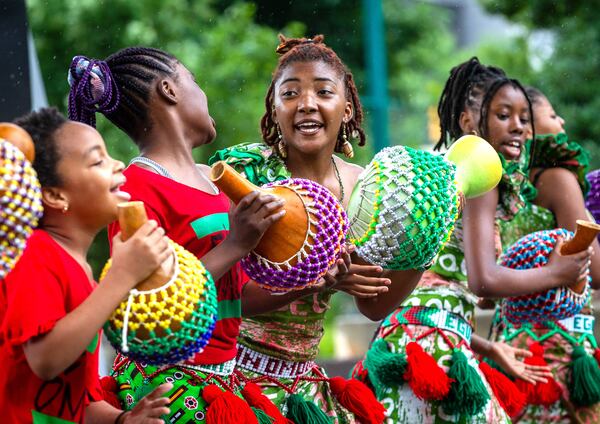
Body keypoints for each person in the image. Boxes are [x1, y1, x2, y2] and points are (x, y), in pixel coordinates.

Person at [355, 57, 591, 423]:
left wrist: (487, 347)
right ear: (468, 122)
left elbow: (433, 294)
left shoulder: (444, 177)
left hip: (411, 338)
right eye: (503, 115)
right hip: (430, 349)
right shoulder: (479, 179)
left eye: (524, 119)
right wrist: (557, 274)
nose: (519, 128)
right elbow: (485, 281)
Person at [210, 35, 422, 423]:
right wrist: (316, 283)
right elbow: (231, 296)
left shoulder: (364, 187)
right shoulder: (247, 174)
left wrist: (424, 242)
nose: (306, 103)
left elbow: (373, 305)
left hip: (304, 388)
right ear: (274, 110)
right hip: (234, 383)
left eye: (323, 92)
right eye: (290, 94)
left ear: (346, 108)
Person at [67, 48, 285, 422]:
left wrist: (313, 285)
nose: (203, 94)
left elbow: (239, 297)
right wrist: (236, 244)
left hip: (223, 382)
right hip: (167, 390)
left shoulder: (213, 182)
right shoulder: (134, 187)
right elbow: (146, 298)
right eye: (195, 82)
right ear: (169, 89)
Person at [0, 107, 173, 423]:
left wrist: (122, 419)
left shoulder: (84, 274)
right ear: (54, 195)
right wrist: (122, 276)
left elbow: (73, 400)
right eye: (98, 161)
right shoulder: (35, 253)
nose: (118, 164)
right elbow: (45, 360)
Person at [489, 85, 600, 423]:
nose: (562, 121)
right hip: (560, 345)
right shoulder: (559, 178)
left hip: (511, 343)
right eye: (552, 115)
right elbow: (595, 268)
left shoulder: (502, 184)